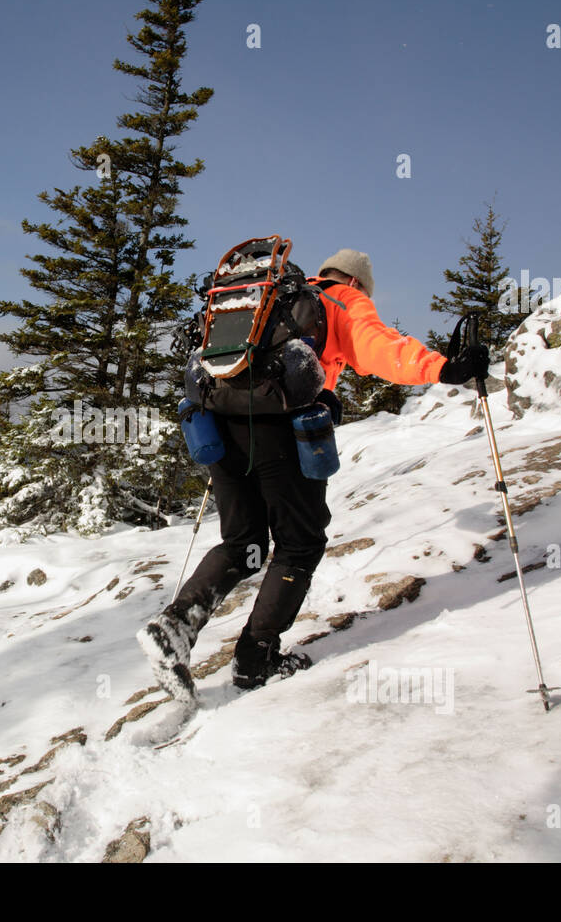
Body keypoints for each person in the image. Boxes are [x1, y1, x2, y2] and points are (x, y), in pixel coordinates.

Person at [137, 248, 489, 706]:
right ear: (358, 283)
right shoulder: (341, 300)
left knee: (243, 544)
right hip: (281, 432)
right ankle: (255, 658)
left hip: (218, 425)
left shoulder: (264, 299)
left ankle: (173, 628)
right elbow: (379, 348)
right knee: (299, 544)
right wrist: (443, 368)